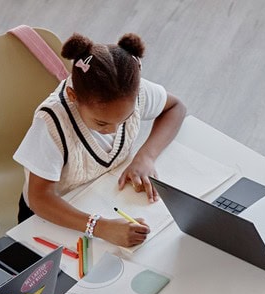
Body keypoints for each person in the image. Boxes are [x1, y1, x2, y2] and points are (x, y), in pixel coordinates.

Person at [13, 31, 186, 247]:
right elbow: (40, 198)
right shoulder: (51, 123)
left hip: (104, 197)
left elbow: (176, 108)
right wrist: (100, 227)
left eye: (126, 118)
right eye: (102, 123)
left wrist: (146, 157)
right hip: (51, 218)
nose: (115, 130)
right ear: (73, 97)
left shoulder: (131, 92)